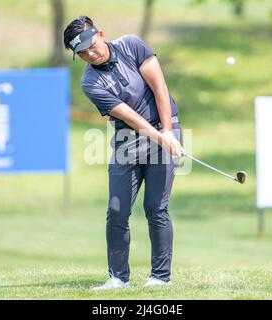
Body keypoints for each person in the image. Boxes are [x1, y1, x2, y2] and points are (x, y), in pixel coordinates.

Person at [63, 16, 185, 290]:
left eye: (91, 45)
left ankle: (160, 278)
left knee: (156, 207)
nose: (90, 54)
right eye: (81, 53)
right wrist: (157, 136)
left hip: (165, 126)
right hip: (127, 141)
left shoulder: (132, 46)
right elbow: (128, 116)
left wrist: (166, 131)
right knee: (117, 211)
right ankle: (118, 278)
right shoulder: (90, 83)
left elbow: (160, 87)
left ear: (101, 34)